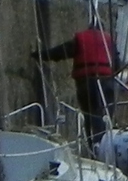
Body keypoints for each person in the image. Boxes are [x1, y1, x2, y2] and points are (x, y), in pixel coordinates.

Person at [35, 14, 118, 142]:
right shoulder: (109, 41)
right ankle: (103, 143)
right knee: (104, 115)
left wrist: (41, 55)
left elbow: (61, 51)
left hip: (86, 83)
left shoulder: (81, 39)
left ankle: (93, 144)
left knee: (89, 115)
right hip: (106, 82)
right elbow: (116, 64)